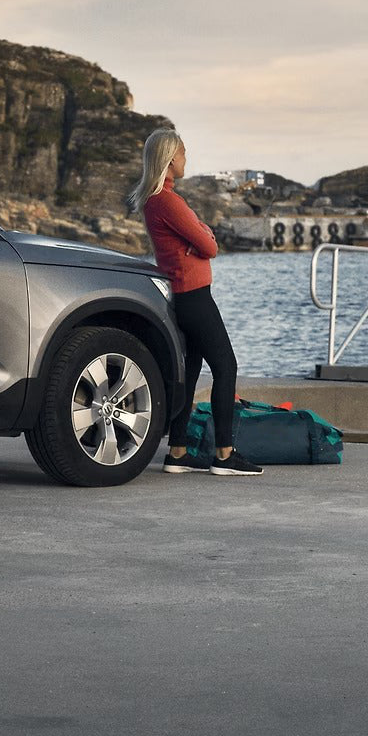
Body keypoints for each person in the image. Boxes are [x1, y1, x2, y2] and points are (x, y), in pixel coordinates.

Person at [127, 129, 263, 476]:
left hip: (183, 296)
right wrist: (200, 240)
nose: (188, 159)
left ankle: (178, 451)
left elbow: (201, 239)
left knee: (190, 373)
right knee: (226, 367)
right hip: (194, 297)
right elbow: (211, 246)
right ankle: (225, 455)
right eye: (184, 153)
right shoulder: (168, 201)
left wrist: (199, 239)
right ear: (171, 159)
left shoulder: (158, 199)